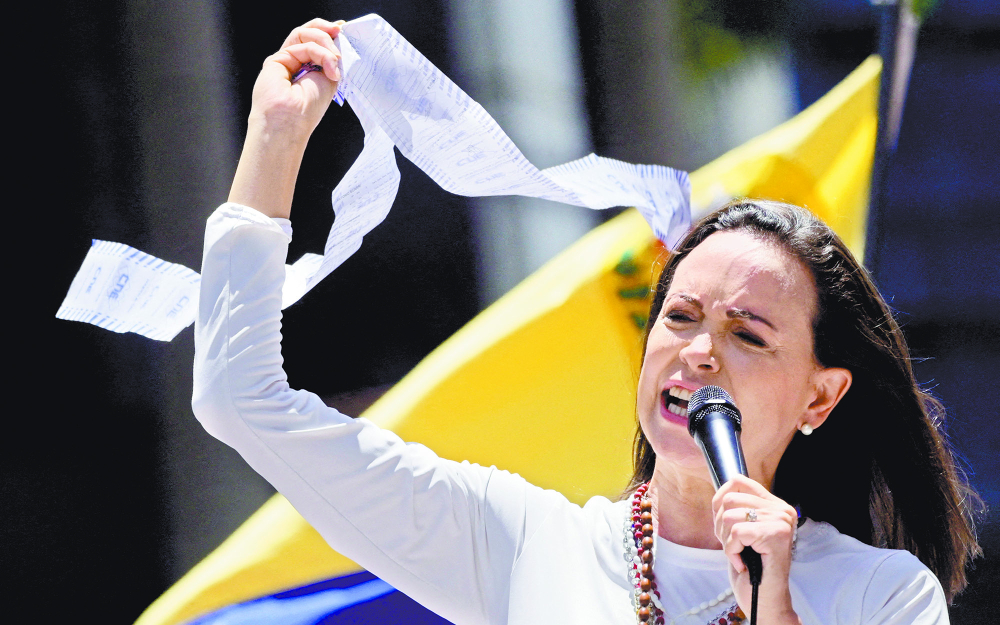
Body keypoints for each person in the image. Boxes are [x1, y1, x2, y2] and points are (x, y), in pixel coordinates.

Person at [192, 18, 980, 625]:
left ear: (820, 396)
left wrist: (774, 606)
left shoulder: (881, 593)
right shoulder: (523, 542)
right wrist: (275, 137)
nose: (699, 353)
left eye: (748, 334)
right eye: (678, 317)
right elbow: (241, 399)